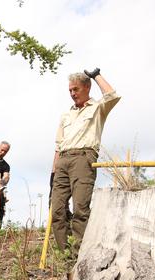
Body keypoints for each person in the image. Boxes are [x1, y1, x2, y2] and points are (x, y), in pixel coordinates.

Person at [51, 68, 121, 253]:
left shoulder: (98, 108)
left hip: (83, 158)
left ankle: (79, 254)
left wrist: (96, 75)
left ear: (87, 87)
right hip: (63, 160)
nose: (72, 94)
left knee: (80, 208)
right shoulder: (66, 114)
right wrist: (53, 170)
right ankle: (64, 255)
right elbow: (59, 145)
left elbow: (113, 96)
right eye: (70, 91)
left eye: (76, 89)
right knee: (57, 211)